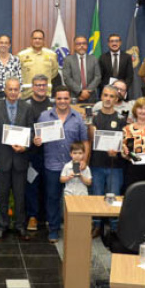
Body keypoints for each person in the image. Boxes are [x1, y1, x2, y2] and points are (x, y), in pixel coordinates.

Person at [33, 85, 89, 242]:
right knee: (52, 197)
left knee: (74, 198)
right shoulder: (44, 116)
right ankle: (53, 229)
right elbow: (37, 139)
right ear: (54, 99)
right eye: (59, 98)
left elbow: (85, 141)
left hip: (74, 165)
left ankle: (74, 229)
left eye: (66, 98)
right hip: (52, 164)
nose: (63, 101)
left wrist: (84, 159)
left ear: (70, 99)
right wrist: (36, 141)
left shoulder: (78, 117)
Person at [0, 78, 34, 239]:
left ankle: (20, 226)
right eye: (10, 89)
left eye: (16, 89)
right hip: (2, 160)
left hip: (20, 159)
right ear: (5, 90)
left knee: (20, 196)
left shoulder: (27, 108)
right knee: (2, 195)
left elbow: (32, 132)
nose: (13, 92)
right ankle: (2, 226)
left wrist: (25, 146)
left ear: (20, 91)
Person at [88, 85, 125, 236]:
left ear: (116, 99)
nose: (108, 99)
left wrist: (117, 151)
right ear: (101, 97)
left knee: (114, 195)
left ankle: (115, 227)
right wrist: (91, 128)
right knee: (96, 195)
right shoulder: (94, 117)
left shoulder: (121, 119)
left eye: (111, 96)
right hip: (96, 163)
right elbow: (91, 139)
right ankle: (97, 225)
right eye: (105, 95)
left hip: (114, 165)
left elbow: (124, 142)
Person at [25, 74, 53, 232]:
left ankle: (49, 217)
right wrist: (31, 139)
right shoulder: (26, 105)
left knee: (50, 187)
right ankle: (33, 217)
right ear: (32, 87)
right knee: (32, 185)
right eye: (38, 85)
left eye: (43, 85)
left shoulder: (54, 105)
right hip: (33, 153)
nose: (41, 88)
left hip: (51, 153)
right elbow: (23, 127)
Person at [19, 29, 59, 99]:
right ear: (31, 40)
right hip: (27, 94)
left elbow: (54, 72)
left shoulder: (52, 55)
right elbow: (18, 74)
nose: (37, 40)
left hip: (46, 93)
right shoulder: (21, 55)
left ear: (43, 40)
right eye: (35, 38)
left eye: (40, 39)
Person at [62, 35, 101, 103]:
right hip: (74, 95)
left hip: (91, 96)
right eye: (78, 44)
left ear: (87, 45)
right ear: (74, 46)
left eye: (84, 43)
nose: (82, 46)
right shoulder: (68, 60)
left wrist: (87, 91)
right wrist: (80, 92)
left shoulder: (94, 59)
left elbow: (97, 77)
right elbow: (67, 78)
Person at [0, 34, 22, 99]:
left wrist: (20, 92)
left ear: (9, 45)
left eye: (6, 43)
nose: (3, 45)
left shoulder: (16, 60)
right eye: (1, 43)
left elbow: (19, 78)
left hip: (12, 94)